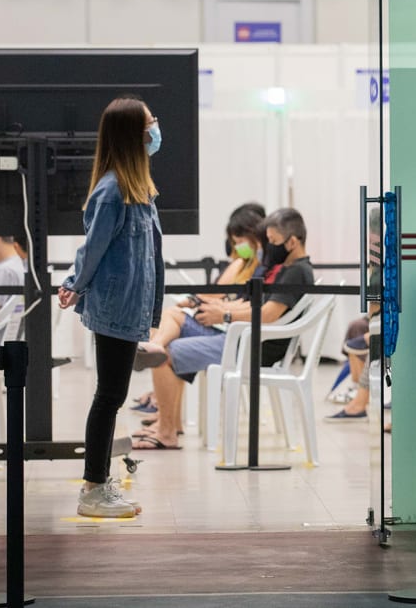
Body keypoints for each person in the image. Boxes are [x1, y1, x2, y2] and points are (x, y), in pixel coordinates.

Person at [57, 96, 165, 518]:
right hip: (115, 307)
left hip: (129, 307)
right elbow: (94, 249)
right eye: (151, 123)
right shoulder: (111, 190)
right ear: (133, 135)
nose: (156, 130)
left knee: (112, 395)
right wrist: (74, 285)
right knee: (109, 396)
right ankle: (94, 489)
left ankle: (98, 485)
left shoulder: (138, 189)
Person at [131, 207, 314, 450]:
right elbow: (254, 304)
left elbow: (269, 315)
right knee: (172, 322)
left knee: (167, 354)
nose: (268, 248)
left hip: (250, 346)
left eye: (273, 242)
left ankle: (166, 432)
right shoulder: (287, 269)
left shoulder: (296, 272)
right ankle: (168, 421)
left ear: (292, 241)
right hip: (242, 337)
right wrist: (221, 309)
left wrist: (225, 314)